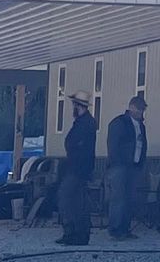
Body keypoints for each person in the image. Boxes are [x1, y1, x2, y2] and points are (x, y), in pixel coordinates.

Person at [104, 93, 148, 240]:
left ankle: (124, 228)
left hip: (134, 166)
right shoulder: (119, 123)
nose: (140, 112)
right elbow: (113, 145)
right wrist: (118, 162)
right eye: (138, 109)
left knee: (129, 198)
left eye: (142, 110)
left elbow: (142, 145)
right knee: (118, 198)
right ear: (130, 108)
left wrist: (140, 162)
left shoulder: (141, 126)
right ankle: (115, 229)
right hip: (120, 167)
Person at [56, 95, 98, 246]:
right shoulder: (84, 122)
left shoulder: (85, 123)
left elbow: (76, 145)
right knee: (74, 200)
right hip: (78, 167)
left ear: (78, 105)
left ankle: (76, 232)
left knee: (69, 199)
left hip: (78, 168)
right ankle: (74, 232)